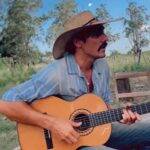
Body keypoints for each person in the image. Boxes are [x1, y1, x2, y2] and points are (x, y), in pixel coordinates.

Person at [0, 11, 150, 150]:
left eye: (103, 32)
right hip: (66, 144)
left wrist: (121, 116)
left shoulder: (102, 66)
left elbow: (103, 109)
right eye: (97, 34)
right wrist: (53, 124)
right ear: (78, 42)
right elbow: (5, 104)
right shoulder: (57, 72)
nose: (106, 38)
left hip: (96, 132)